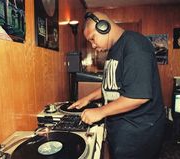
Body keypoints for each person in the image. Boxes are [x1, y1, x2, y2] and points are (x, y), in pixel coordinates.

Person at [69, 11, 165, 159]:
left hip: (138, 133)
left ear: (103, 27)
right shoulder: (115, 49)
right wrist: (88, 98)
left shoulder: (135, 45)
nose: (93, 45)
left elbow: (138, 96)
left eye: (93, 39)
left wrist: (100, 112)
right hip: (122, 129)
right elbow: (111, 85)